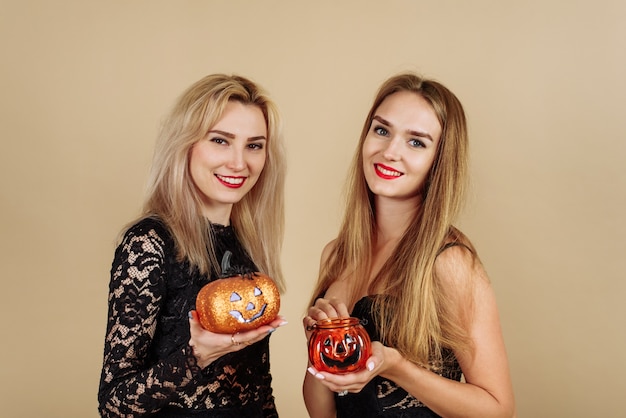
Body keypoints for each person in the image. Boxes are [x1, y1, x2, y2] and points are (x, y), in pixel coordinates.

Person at [302, 73, 515, 417]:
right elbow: (322, 407)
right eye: (382, 130)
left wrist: (397, 366)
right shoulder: (336, 254)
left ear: (438, 162)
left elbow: (498, 410)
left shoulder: (449, 262)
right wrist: (316, 346)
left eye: (416, 142)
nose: (389, 152)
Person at [98, 74, 288, 417]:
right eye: (220, 140)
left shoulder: (247, 243)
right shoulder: (149, 243)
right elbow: (114, 403)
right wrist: (196, 355)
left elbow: (258, 389)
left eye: (254, 145)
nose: (239, 162)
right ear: (185, 144)